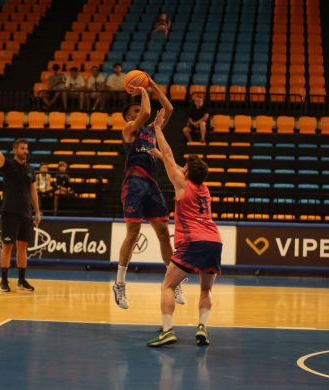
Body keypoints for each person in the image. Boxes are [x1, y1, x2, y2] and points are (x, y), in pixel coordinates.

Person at [146, 109, 222, 347]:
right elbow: (174, 163)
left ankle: (167, 330)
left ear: (186, 173)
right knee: (205, 289)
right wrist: (159, 155)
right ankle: (202, 328)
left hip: (193, 241)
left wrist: (157, 128)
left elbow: (170, 157)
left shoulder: (181, 184)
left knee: (168, 285)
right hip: (214, 241)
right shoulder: (203, 188)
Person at [113, 75, 186, 310]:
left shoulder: (152, 131)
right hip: (133, 184)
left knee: (164, 234)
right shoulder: (129, 130)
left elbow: (169, 108)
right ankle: (120, 283)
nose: (138, 112)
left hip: (152, 185)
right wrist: (142, 90)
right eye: (133, 110)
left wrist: (153, 85)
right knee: (132, 234)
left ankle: (173, 282)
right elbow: (145, 112)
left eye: (138, 108)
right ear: (127, 116)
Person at [0, 123, 41, 292]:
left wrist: (37, 212)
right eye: (22, 148)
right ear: (15, 150)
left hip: (25, 213)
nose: (25, 151)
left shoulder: (31, 170)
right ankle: (3, 281)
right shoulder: (8, 165)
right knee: (8, 246)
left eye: (26, 148)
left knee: (23, 247)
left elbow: (33, 191)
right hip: (10, 211)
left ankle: (21, 281)